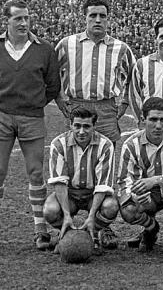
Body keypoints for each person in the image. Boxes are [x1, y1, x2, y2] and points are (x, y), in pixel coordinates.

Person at [0, 0, 60, 250]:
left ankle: (40, 231)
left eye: (26, 18)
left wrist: (32, 105)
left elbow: (52, 86)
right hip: (0, 116)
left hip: (32, 118)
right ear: (7, 21)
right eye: (18, 19)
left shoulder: (44, 50)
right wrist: (2, 102)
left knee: (36, 172)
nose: (23, 23)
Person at [117, 97, 163, 263]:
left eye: (162, 120)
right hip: (147, 196)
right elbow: (124, 181)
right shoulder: (131, 144)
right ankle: (151, 228)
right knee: (128, 210)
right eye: (153, 120)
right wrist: (135, 196)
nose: (158, 125)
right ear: (143, 120)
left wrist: (156, 180)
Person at [55, 0, 135, 151]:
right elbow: (51, 73)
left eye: (102, 16)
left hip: (106, 108)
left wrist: (124, 102)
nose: (98, 20)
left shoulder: (121, 48)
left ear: (108, 19)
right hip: (77, 105)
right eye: (93, 15)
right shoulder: (67, 44)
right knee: (75, 155)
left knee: (106, 156)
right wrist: (59, 99)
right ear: (84, 18)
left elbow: (133, 77)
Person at [43, 108, 120, 254]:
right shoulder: (58, 144)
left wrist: (91, 217)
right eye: (77, 126)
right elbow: (60, 184)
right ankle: (67, 233)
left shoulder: (106, 145)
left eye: (86, 126)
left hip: (93, 194)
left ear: (94, 126)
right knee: (49, 210)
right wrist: (66, 215)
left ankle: (92, 234)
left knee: (111, 206)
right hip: (70, 194)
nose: (81, 131)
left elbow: (102, 186)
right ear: (70, 125)